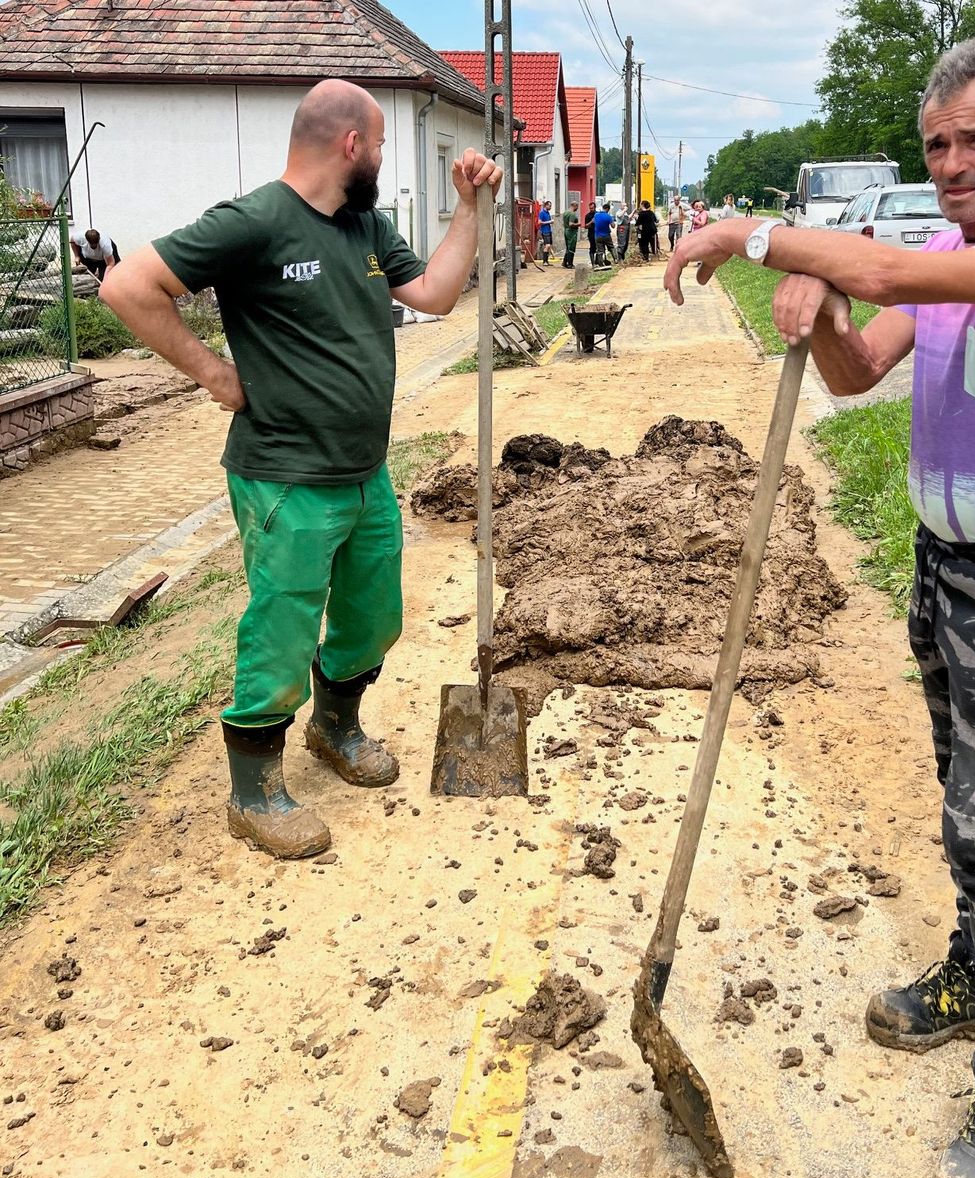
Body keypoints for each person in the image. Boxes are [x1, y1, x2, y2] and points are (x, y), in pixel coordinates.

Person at [665, 37, 975, 1178]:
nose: (955, 162)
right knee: (959, 798)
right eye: (938, 145)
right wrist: (817, 305)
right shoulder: (935, 253)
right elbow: (857, 367)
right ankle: (972, 977)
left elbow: (885, 279)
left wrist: (756, 237)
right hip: (943, 562)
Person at [100, 80, 502, 861]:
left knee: (373, 617)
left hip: (363, 473)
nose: (383, 157)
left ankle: (335, 726)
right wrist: (216, 375)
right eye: (382, 144)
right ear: (351, 144)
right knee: (281, 634)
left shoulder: (365, 226)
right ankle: (252, 793)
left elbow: (440, 295)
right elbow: (128, 286)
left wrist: (469, 212)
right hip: (284, 477)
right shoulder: (254, 221)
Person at [592, 202, 615, 266]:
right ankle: (616, 259)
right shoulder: (608, 216)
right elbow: (613, 226)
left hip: (597, 236)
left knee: (600, 251)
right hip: (606, 235)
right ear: (608, 209)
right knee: (611, 247)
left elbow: (593, 221)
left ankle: (600, 264)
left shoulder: (596, 215)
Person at [562, 200, 580, 268]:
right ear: (574, 205)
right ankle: (570, 264)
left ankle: (564, 262)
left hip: (566, 231)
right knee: (571, 248)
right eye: (577, 206)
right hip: (571, 232)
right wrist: (578, 224)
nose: (577, 208)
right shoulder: (572, 214)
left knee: (568, 248)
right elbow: (571, 224)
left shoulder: (566, 212)